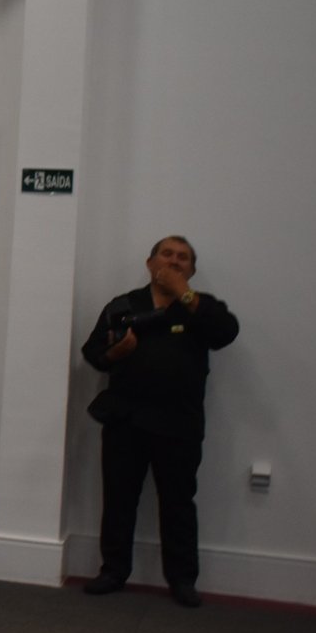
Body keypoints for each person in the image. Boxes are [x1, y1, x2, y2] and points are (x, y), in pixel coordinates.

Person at [80, 235, 239, 608]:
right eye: (166, 254)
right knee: (119, 500)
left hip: (179, 423)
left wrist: (184, 292)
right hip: (126, 421)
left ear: (191, 270)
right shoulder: (123, 305)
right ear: (150, 263)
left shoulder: (201, 308)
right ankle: (113, 571)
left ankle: (182, 580)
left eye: (183, 257)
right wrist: (115, 353)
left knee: (178, 504)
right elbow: (93, 353)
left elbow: (226, 333)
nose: (174, 260)